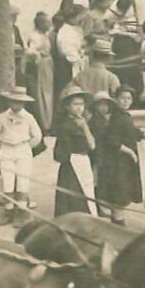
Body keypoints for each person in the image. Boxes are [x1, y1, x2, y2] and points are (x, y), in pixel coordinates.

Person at [91, 89, 143, 223]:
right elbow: (112, 141)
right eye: (122, 98)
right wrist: (130, 152)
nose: (126, 101)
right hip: (118, 160)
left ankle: (117, 218)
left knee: (123, 190)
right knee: (120, 191)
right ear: (117, 99)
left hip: (124, 161)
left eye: (129, 98)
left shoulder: (124, 115)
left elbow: (131, 132)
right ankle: (118, 221)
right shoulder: (117, 117)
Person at [0, 86, 42, 211]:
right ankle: (8, 208)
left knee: (23, 179)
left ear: (24, 103)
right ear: (9, 102)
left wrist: (26, 147)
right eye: (14, 101)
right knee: (7, 178)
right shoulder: (2, 117)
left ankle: (22, 209)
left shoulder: (29, 117)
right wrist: (5, 143)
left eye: (20, 102)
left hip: (23, 150)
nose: (17, 105)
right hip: (6, 149)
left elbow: (37, 135)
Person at [52, 85, 97, 216]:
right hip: (71, 163)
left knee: (87, 192)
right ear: (68, 106)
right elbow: (60, 151)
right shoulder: (65, 125)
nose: (79, 107)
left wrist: (84, 127)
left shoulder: (85, 123)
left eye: (81, 104)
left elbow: (92, 145)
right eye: (75, 104)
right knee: (73, 196)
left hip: (84, 161)